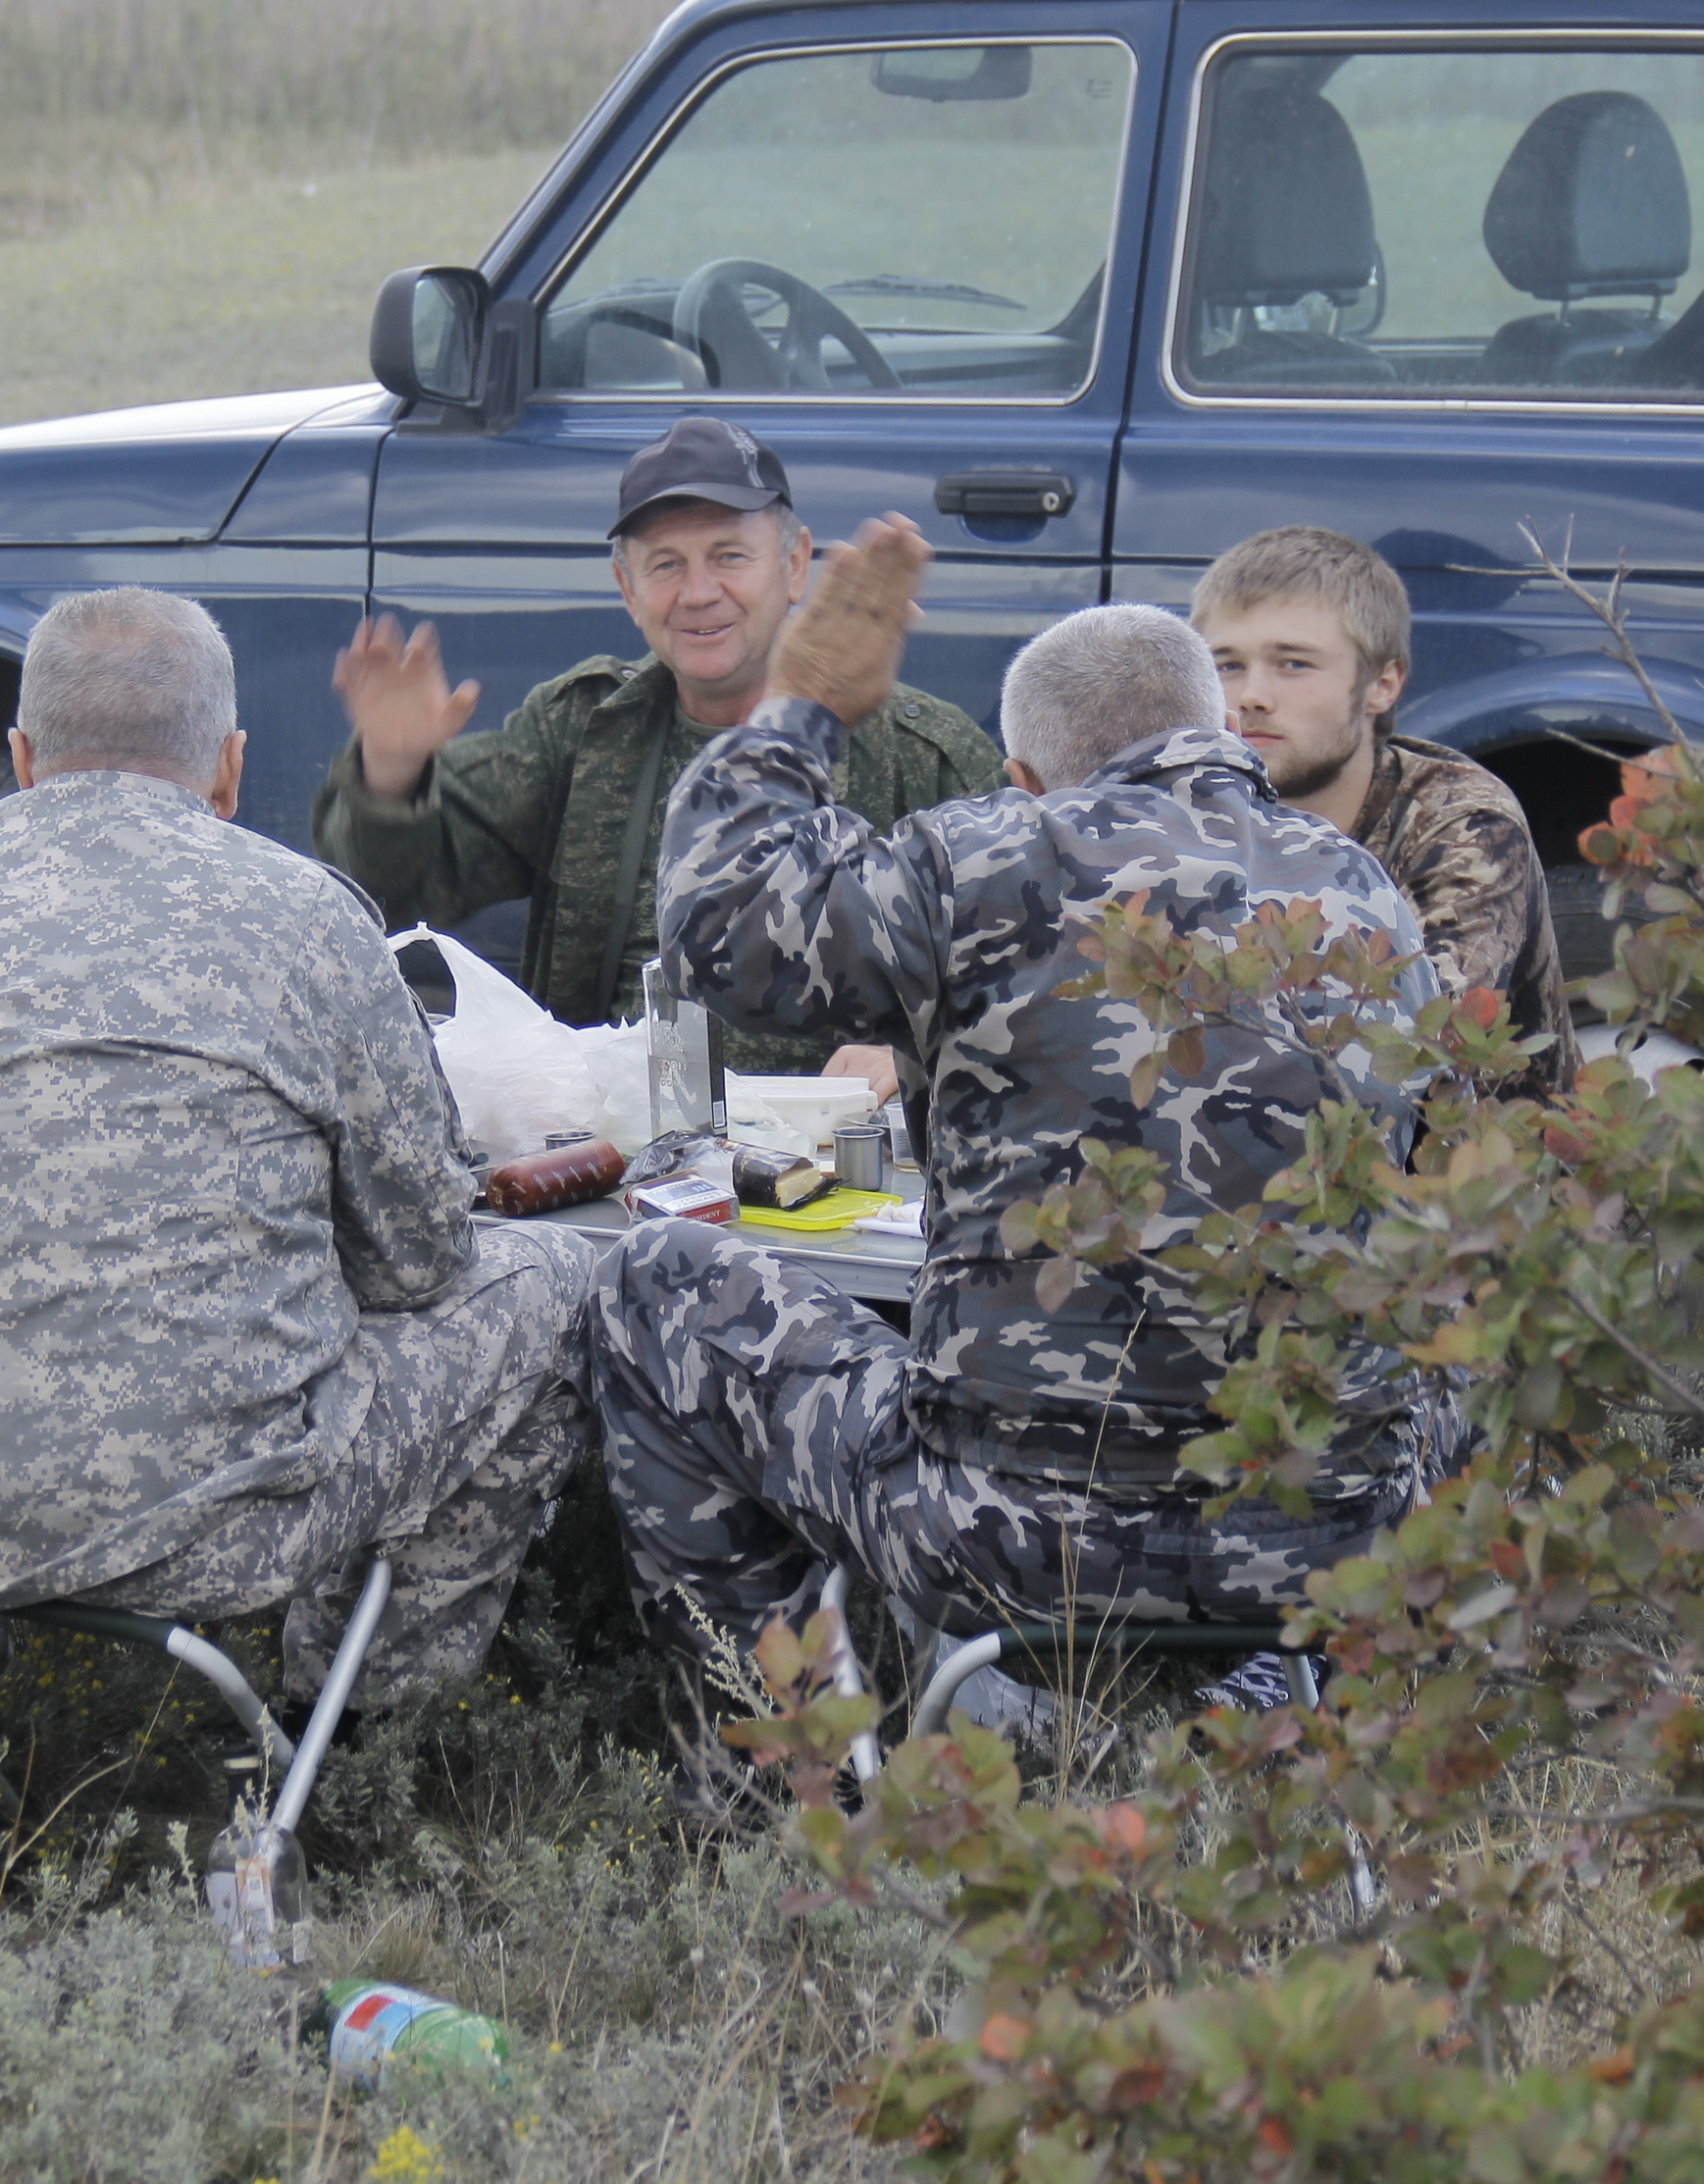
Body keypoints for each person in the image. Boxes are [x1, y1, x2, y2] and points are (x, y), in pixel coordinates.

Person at [586, 535, 1460, 1746]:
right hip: (1318, 1544)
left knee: (652, 1281)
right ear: (1219, 728)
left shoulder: (985, 856)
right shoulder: (1369, 894)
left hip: (1002, 1540)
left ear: (1022, 776)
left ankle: (777, 1776)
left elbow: (717, 927)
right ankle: (1322, 1720)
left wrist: (799, 709)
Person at [0, 586, 594, 1712]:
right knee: (550, 1284)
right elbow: (422, 1258)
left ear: (21, 757)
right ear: (229, 767)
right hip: (216, 1531)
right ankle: (363, 1722)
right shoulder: (307, 917)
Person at [311, 416, 1001, 1092]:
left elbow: (1032, 959)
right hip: (618, 1140)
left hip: (839, 1149)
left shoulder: (922, 755)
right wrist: (393, 769)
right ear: (629, 591)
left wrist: (910, 1055)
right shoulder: (584, 731)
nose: (698, 594)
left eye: (729, 557)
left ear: (794, 565)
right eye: (666, 565)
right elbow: (390, 887)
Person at [1192, 525, 1580, 1098]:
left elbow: (1416, 1058)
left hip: (1461, 1149)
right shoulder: (1187, 812)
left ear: (1382, 684)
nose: (1252, 696)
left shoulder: (1462, 823)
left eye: (1293, 664)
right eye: (1226, 666)